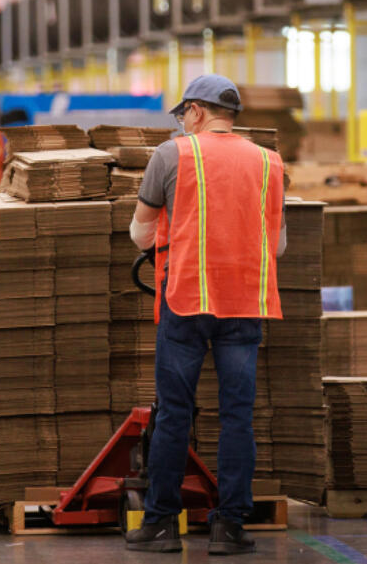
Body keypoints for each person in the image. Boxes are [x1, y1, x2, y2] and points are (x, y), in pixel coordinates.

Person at [127, 74, 286, 556]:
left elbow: (139, 233)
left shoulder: (172, 154)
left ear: (195, 111)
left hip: (187, 300)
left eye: (183, 114)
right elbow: (276, 245)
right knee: (238, 417)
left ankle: (160, 525)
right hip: (245, 302)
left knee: (175, 413)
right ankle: (229, 526)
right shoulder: (269, 162)